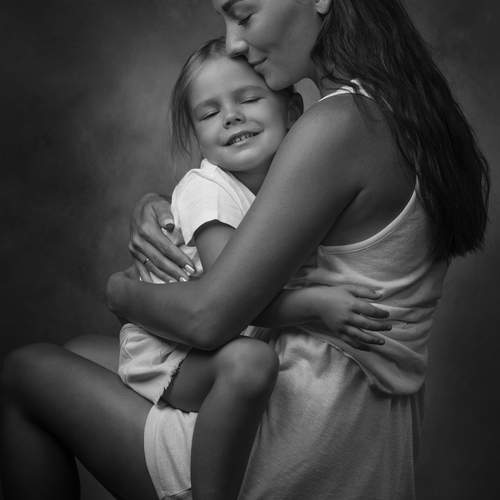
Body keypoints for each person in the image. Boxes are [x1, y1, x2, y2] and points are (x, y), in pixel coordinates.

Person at [0, 1, 489, 500]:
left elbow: (208, 318)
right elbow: (262, 213)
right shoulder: (401, 111)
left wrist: (119, 293)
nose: (234, 42)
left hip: (300, 436)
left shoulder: (340, 124)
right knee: (79, 354)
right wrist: (165, 206)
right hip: (372, 432)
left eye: (244, 14)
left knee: (25, 373)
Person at [118, 36, 389, 500]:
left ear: (294, 110)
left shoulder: (294, 181)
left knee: (248, 362)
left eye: (248, 99)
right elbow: (233, 302)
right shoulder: (207, 191)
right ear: (197, 135)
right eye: (209, 113)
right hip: (169, 352)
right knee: (250, 363)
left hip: (216, 343)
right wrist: (315, 306)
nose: (231, 117)